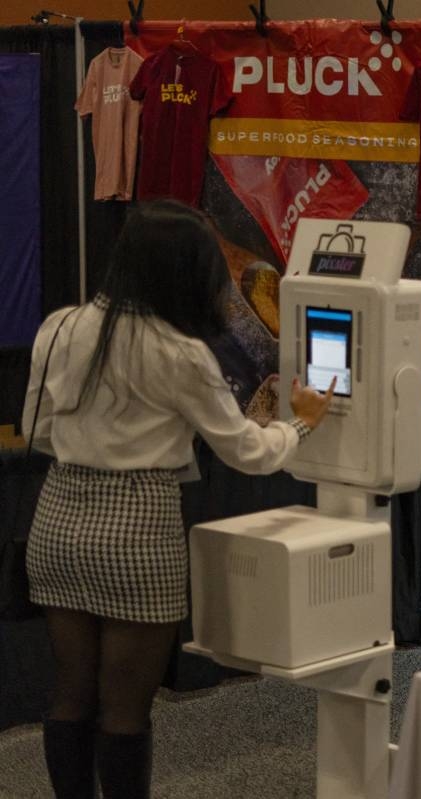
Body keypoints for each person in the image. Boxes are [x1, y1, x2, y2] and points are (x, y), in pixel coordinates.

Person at [21, 200, 336, 798]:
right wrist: (301, 425)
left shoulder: (59, 326)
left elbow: (36, 430)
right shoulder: (181, 352)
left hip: (58, 519)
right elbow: (247, 452)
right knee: (125, 709)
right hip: (140, 527)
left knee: (71, 694)